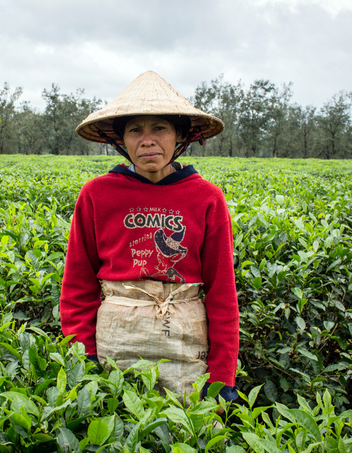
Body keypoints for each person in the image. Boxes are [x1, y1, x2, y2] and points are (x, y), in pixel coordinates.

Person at [60, 71, 239, 401]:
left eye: (159, 128)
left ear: (179, 135)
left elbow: (221, 293)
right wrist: (81, 357)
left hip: (185, 343)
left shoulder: (207, 198)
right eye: (135, 130)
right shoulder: (96, 194)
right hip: (117, 339)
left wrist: (223, 375)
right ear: (121, 140)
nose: (147, 140)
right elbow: (77, 284)